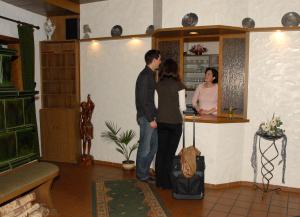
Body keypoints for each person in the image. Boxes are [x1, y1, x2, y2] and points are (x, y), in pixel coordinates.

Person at [155, 58, 186, 189]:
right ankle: (168, 183)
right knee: (169, 154)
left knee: (161, 152)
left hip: (161, 122)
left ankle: (159, 182)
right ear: (175, 70)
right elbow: (183, 107)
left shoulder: (158, 85)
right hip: (174, 123)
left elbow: (156, 105)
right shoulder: (179, 85)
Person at [135, 49, 161, 182]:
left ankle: (144, 171)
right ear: (154, 59)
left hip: (150, 117)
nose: (160, 61)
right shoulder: (145, 75)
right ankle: (141, 174)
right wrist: (151, 119)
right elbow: (143, 99)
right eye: (159, 59)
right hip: (146, 118)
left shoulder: (150, 74)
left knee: (154, 146)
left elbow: (150, 100)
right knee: (145, 148)